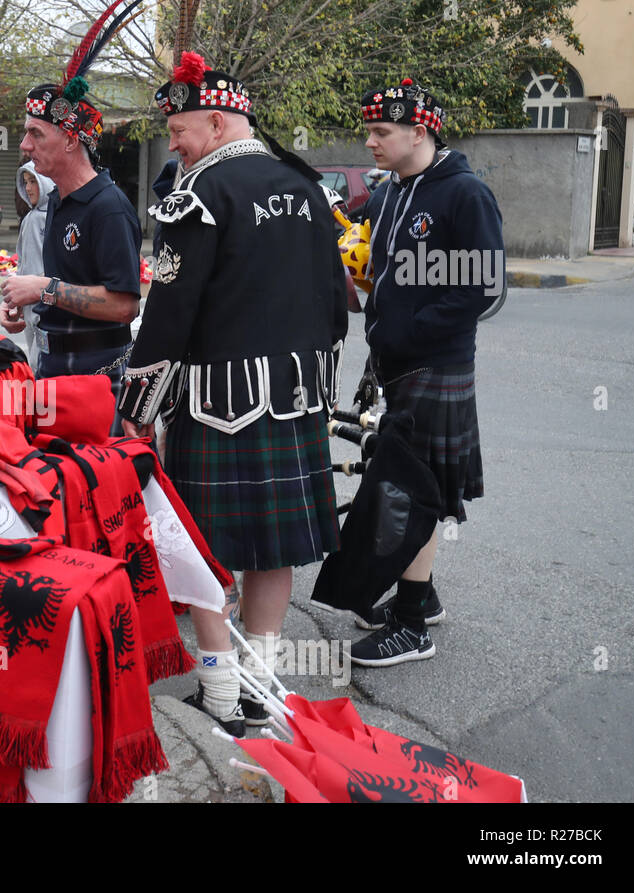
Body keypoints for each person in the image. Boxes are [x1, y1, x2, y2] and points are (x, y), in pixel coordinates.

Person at [116, 54, 348, 735]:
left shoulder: (197, 196)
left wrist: (137, 412)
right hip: (298, 396)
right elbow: (337, 302)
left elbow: (167, 318)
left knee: (200, 544)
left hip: (214, 403)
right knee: (272, 548)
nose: (174, 145)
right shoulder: (306, 188)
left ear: (216, 121)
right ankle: (259, 680)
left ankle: (220, 688)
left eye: (180, 130)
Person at [348, 78, 503, 667]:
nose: (371, 142)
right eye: (370, 131)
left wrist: (411, 332)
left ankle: (412, 625)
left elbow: (483, 287)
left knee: (413, 494)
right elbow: (380, 276)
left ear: (421, 132)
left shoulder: (465, 194)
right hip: (395, 366)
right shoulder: (389, 195)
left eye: (382, 131)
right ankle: (424, 594)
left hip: (436, 364)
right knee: (410, 485)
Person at [0, 80, 141, 395]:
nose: (24, 144)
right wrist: (24, 299)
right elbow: (63, 284)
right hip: (53, 366)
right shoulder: (57, 202)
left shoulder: (109, 207)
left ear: (70, 140)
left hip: (96, 375)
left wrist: (44, 289)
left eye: (36, 133)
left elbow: (124, 307)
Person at [0, 161, 54, 363]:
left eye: (33, 181)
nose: (28, 188)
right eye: (25, 182)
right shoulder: (36, 217)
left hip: (37, 309)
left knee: (37, 366)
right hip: (39, 306)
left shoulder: (36, 219)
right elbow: (26, 265)